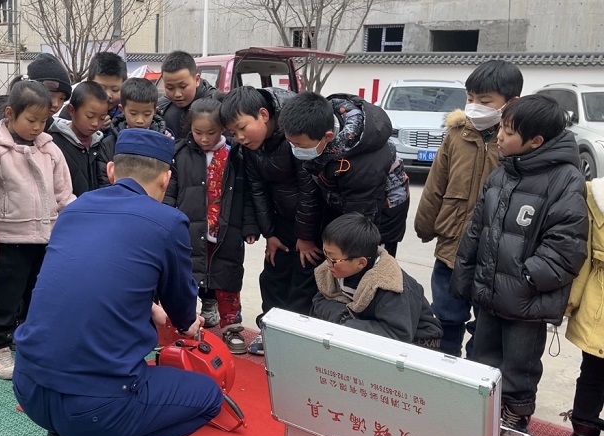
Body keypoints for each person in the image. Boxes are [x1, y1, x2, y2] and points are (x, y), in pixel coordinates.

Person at [13, 128, 223, 436]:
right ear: (166, 179)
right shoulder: (168, 221)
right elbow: (181, 306)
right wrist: (187, 321)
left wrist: (150, 307)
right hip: (98, 406)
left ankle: (69, 434)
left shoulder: (73, 211)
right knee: (209, 396)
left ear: (111, 170)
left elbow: (83, 281)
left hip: (28, 388)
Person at [450, 94, 589, 433]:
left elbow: (566, 247)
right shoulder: (502, 174)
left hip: (527, 301)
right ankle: (481, 414)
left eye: (508, 132)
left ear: (536, 141)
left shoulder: (565, 180)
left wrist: (526, 279)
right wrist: (465, 276)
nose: (499, 137)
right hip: (488, 292)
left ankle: (514, 418)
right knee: (482, 358)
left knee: (519, 369)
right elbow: (476, 230)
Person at [415, 60, 523, 358]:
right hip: (451, 246)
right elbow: (436, 184)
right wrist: (425, 226)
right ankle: (444, 368)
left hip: (494, 254)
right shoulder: (456, 135)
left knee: (486, 326)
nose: (475, 107)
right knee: (446, 315)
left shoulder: (516, 142)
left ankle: (476, 377)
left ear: (510, 103)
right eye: (471, 99)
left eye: (485, 101)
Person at [0, 80, 75, 380]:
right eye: (31, 120)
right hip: (7, 240)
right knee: (3, 295)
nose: (38, 127)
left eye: (43, 121)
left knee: (38, 294)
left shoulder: (50, 150)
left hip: (45, 239)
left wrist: (71, 229)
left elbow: (64, 194)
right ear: (10, 114)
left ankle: (28, 341)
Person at [220, 86, 322, 356]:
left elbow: (309, 189)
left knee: (303, 280)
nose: (239, 137)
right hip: (280, 224)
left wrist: (306, 236)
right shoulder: (250, 149)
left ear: (263, 114)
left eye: (242, 128)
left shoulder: (293, 136)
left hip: (311, 226)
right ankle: (270, 331)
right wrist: (270, 234)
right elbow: (257, 189)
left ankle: (294, 341)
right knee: (273, 276)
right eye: (233, 133)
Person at [163, 98, 259, 354]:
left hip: (227, 230)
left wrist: (249, 226)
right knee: (186, 278)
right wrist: (167, 218)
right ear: (189, 128)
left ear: (223, 129)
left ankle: (232, 327)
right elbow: (171, 190)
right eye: (198, 132)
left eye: (211, 132)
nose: (204, 139)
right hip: (189, 230)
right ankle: (184, 325)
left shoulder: (236, 154)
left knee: (227, 279)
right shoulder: (180, 153)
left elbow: (247, 193)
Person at [311, 213, 443, 348]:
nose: (327, 264)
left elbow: (396, 336)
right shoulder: (336, 270)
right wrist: (344, 317)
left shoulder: (392, 287)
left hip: (418, 344)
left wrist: (346, 322)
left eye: (332, 259)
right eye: (325, 254)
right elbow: (319, 301)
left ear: (361, 262)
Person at [278, 91, 394, 228]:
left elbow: (360, 225)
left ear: (328, 137)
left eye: (300, 145)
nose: (294, 149)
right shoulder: (318, 123)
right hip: (342, 204)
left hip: (377, 217)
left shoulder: (361, 164)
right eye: (290, 142)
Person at [0, 53, 74, 171]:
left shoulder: (50, 126)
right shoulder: (0, 128)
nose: (56, 104)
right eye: (51, 95)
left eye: (62, 98)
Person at [562, 176, 604, 436]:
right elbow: (584, 254)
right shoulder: (596, 193)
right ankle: (584, 434)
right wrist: (570, 303)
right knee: (592, 372)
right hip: (599, 300)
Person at [98, 77, 168, 187]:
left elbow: (167, 183)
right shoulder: (108, 145)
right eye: (133, 114)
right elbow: (104, 182)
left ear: (155, 111)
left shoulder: (163, 143)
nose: (140, 120)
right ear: (122, 110)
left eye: (146, 114)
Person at [48, 81, 110, 196]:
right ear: (71, 110)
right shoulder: (54, 143)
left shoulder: (101, 144)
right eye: (90, 116)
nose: (96, 123)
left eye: (102, 118)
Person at [60, 51, 127, 137]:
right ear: (89, 82)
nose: (108, 95)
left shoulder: (127, 114)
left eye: (115, 90)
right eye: (101, 88)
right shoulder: (74, 110)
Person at [157, 50, 219, 139]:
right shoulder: (161, 107)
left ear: (197, 80)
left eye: (183, 86)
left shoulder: (217, 106)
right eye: (170, 88)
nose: (177, 94)